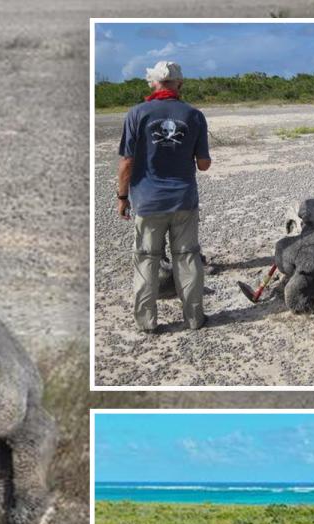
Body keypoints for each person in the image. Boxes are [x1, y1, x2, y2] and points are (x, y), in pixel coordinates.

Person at [116, 60, 211, 333]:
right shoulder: (194, 116)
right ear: (179, 83)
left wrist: (122, 197)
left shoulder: (137, 114)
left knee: (146, 259)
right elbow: (203, 164)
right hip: (183, 200)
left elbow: (126, 163)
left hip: (147, 201)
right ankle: (194, 319)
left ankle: (146, 323)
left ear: (153, 82)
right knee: (188, 257)